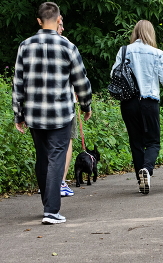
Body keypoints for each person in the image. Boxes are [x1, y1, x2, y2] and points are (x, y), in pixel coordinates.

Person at [12, 2, 92, 224]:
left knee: (42, 158)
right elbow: (81, 80)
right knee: (56, 157)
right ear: (59, 19)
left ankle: (48, 205)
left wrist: (18, 114)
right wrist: (86, 106)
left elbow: (18, 83)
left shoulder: (25, 46)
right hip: (60, 113)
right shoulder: (68, 47)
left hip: (35, 114)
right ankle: (51, 211)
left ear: (38, 21)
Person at [110, 20, 163, 194]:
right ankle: (147, 169)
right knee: (153, 141)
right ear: (151, 33)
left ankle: (140, 178)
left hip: (128, 102)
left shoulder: (124, 51)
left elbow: (114, 73)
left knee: (136, 141)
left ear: (135, 32)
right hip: (149, 101)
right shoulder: (158, 53)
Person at [57, 15, 76, 197]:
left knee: (46, 145)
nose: (62, 29)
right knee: (67, 141)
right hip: (65, 104)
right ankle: (60, 181)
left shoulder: (30, 44)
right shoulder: (66, 44)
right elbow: (78, 75)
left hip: (38, 107)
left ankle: (47, 183)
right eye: (61, 25)